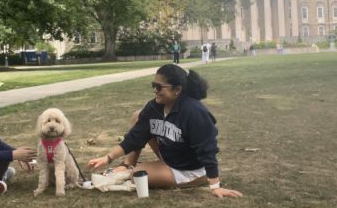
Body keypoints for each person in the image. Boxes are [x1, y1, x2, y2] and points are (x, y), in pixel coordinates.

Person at [87, 64, 242, 198]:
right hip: (171, 158)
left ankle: (198, 179)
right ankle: (130, 165)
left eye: (159, 87)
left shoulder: (194, 112)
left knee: (137, 175)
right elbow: (135, 137)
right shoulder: (154, 107)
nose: (155, 90)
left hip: (190, 168)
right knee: (138, 117)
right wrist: (108, 157)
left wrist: (215, 186)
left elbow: (207, 149)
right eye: (153, 85)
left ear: (177, 89)